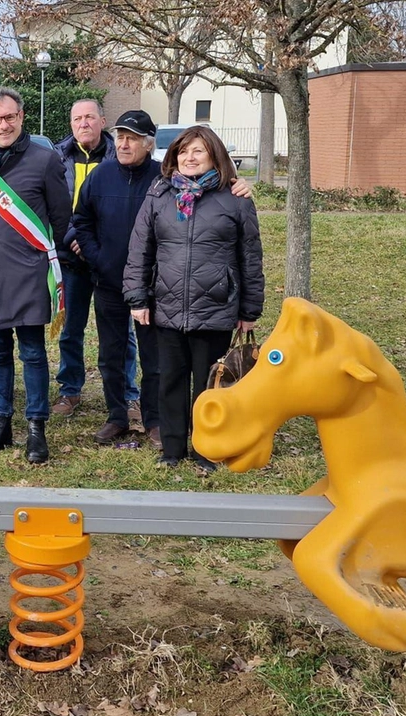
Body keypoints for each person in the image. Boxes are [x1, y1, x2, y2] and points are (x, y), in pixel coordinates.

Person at [124, 125, 264, 470]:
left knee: (210, 386)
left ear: (214, 155)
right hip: (167, 306)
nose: (189, 158)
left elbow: (250, 257)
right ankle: (172, 450)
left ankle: (206, 450)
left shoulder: (236, 199)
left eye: (198, 151)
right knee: (169, 380)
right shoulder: (159, 196)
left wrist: (249, 308)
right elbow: (140, 250)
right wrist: (137, 298)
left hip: (215, 307)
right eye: (183, 152)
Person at [0, 86, 71, 464]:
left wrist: (31, 252)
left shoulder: (45, 159)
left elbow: (60, 217)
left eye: (9, 117)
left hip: (26, 271)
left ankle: (36, 427)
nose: (3, 125)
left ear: (22, 117)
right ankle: (0, 423)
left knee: (33, 352)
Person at [71, 110, 162, 449]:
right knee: (111, 353)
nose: (123, 143)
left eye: (132, 138)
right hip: (108, 281)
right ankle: (117, 415)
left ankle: (153, 420)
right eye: (120, 136)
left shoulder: (163, 177)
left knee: (153, 356)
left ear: (148, 143)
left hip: (151, 285)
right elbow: (81, 221)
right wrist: (98, 258)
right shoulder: (101, 175)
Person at [51, 99, 140, 427]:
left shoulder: (122, 157)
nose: (83, 123)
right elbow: (54, 206)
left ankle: (128, 394)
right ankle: (69, 389)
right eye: (77, 118)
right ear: (71, 123)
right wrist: (72, 237)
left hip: (112, 261)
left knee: (122, 333)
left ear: (103, 121)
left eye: (89, 117)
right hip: (70, 257)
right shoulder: (58, 158)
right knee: (70, 330)